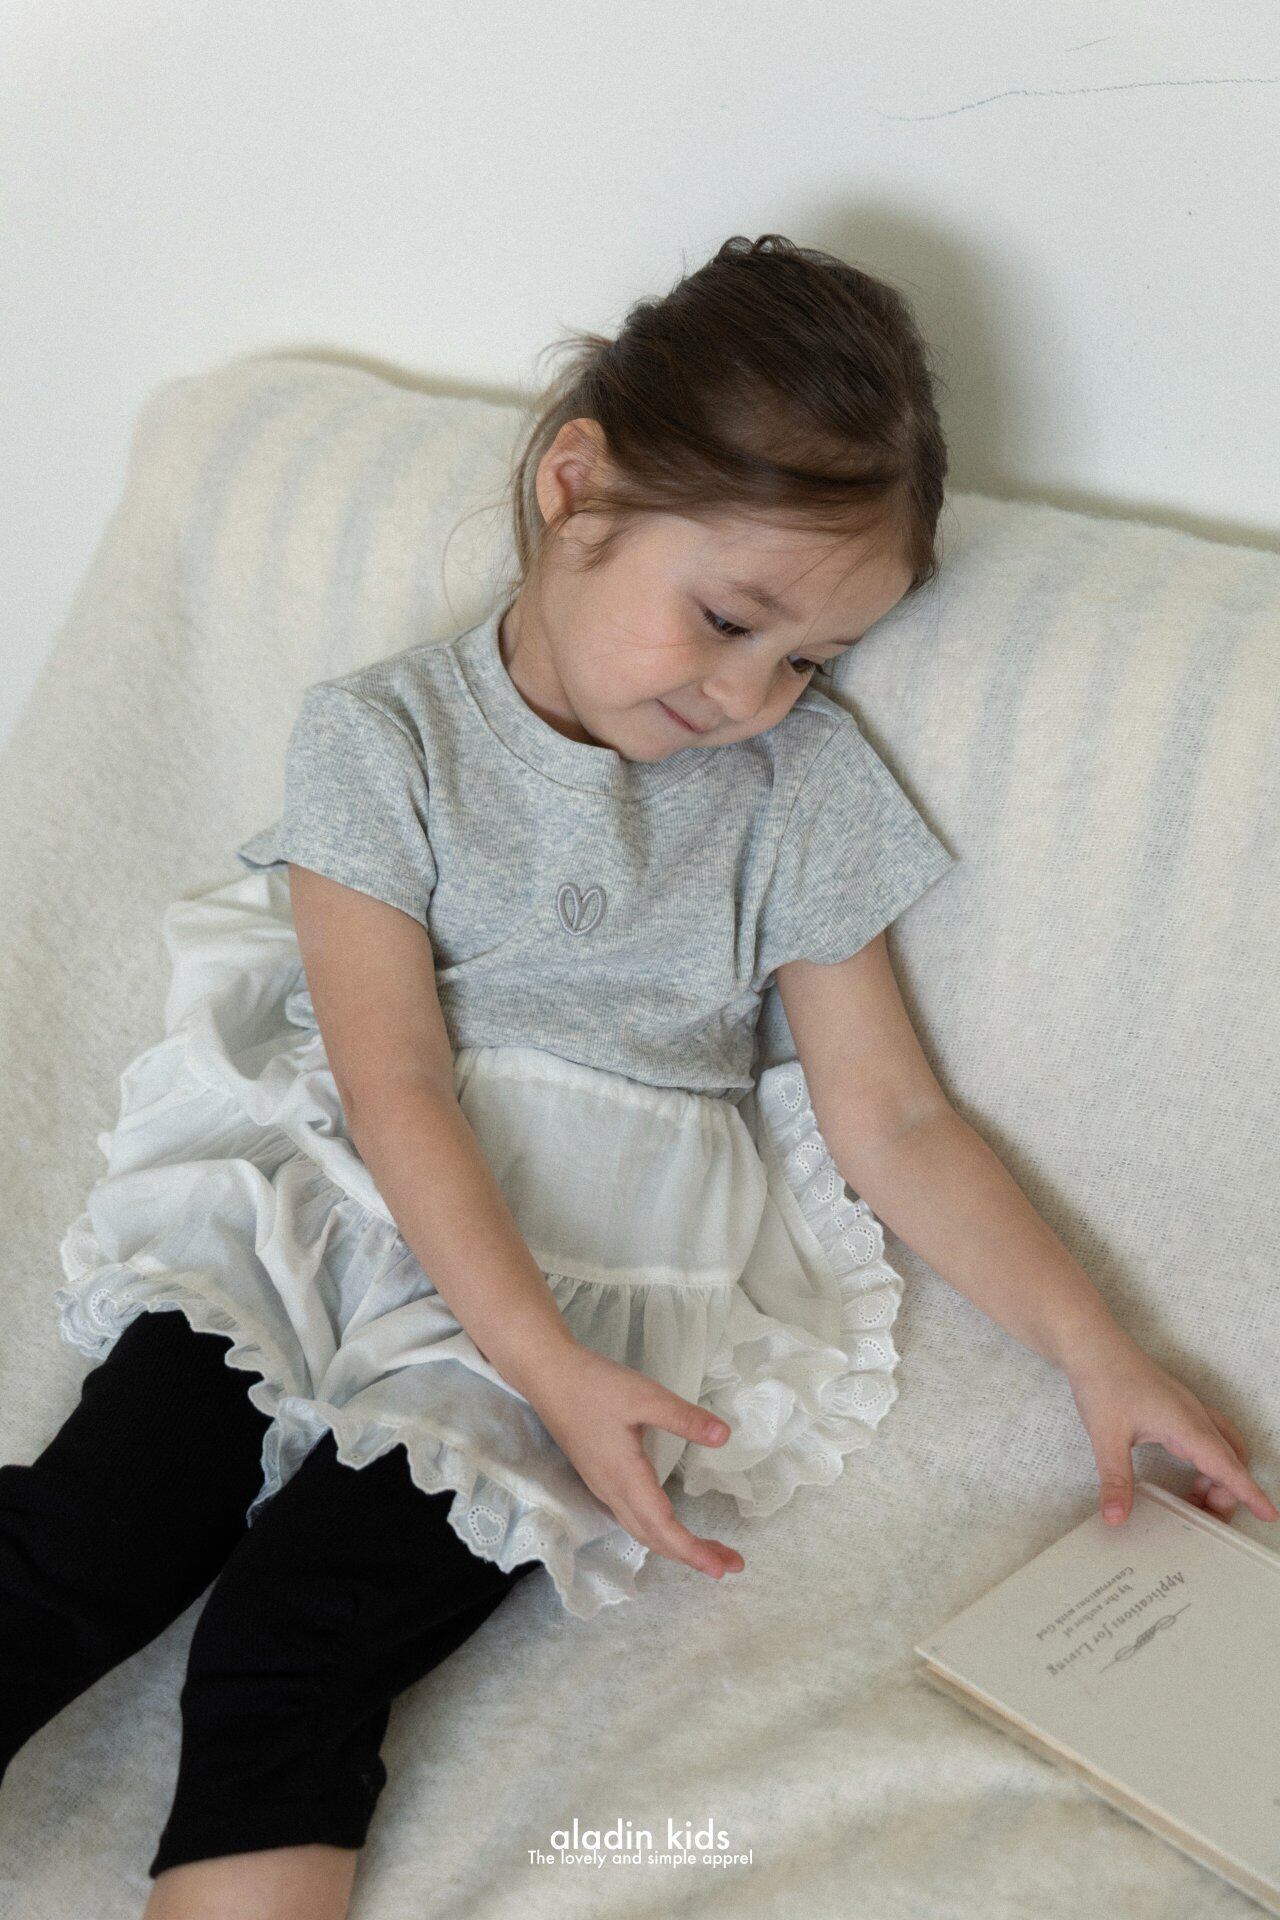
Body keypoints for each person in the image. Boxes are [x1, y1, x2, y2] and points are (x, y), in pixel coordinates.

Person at [2, 233, 1275, 1920]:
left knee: (290, 1649)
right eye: (729, 620)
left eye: (808, 659)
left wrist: (1099, 1353)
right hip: (345, 1198)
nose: (751, 696)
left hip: (602, 1276)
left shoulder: (800, 791)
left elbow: (894, 1117)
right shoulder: (382, 738)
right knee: (84, 1543)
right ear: (576, 484)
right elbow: (395, 1086)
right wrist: (526, 1348)